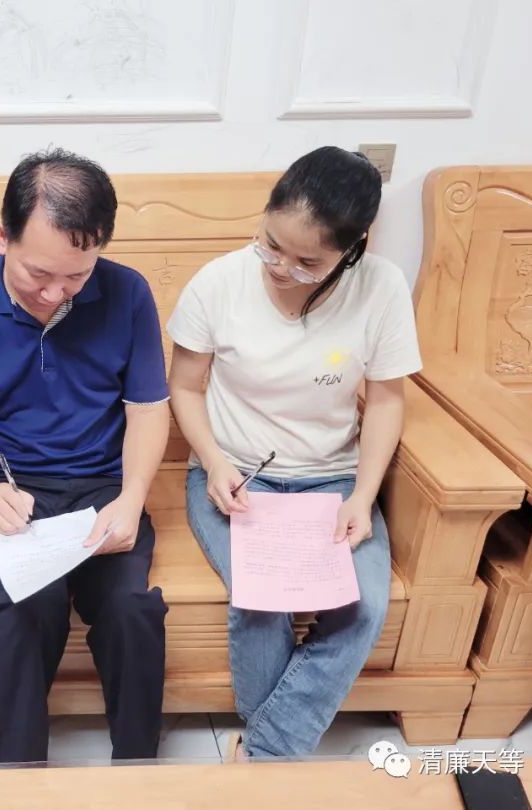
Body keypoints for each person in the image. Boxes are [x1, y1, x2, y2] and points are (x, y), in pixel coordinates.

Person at [0, 148, 170, 764]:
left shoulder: (129, 294)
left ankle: (139, 768)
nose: (55, 294)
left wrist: (132, 498)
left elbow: (147, 408)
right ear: (1, 237)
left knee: (130, 607)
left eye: (76, 277)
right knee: (27, 605)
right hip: (9, 489)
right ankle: (19, 775)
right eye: (38, 274)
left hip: (104, 485)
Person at [166, 146, 422, 760]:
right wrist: (216, 462)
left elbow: (387, 401)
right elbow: (185, 387)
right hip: (235, 475)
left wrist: (363, 495)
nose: (282, 267)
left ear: (353, 249)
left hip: (332, 480)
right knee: (260, 599)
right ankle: (272, 763)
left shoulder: (381, 287)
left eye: (308, 262)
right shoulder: (219, 283)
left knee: (364, 607)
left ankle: (260, 754)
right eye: (271, 245)